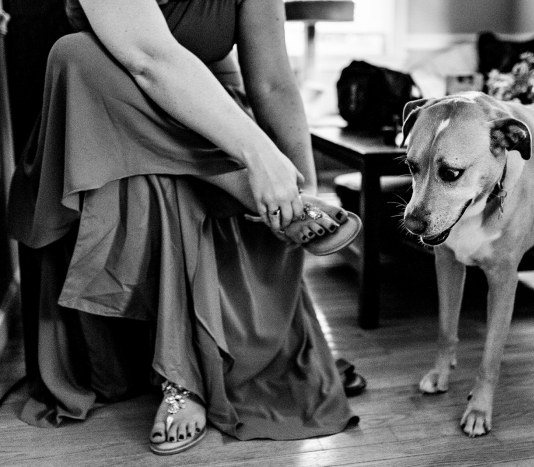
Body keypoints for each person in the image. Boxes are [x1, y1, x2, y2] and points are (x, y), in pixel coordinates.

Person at [8, 0, 361, 455]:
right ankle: (239, 192)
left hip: (210, 125)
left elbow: (272, 83)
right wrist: (259, 161)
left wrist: (300, 179)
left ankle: (183, 376)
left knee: (163, 175)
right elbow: (149, 58)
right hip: (101, 124)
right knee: (77, 56)